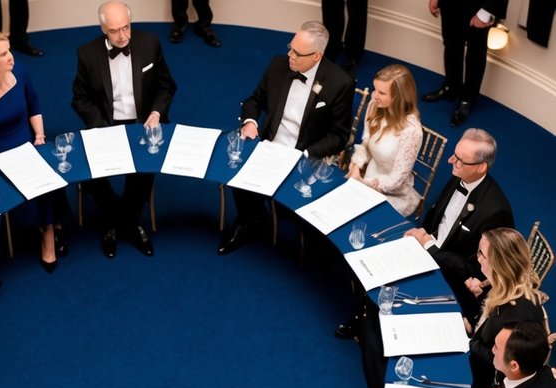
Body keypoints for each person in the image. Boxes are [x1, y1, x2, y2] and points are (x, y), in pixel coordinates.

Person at [218, 20, 353, 254]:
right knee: (234, 168)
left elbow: (339, 135)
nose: (289, 55)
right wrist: (250, 123)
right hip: (270, 145)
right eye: (290, 47)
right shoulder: (278, 66)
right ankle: (248, 220)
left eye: (297, 53)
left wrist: (306, 155)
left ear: (316, 56)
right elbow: (254, 101)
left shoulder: (340, 83)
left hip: (305, 154)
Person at [71, 0, 177, 258]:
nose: (122, 36)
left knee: (143, 171)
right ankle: (124, 220)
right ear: (103, 29)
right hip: (106, 123)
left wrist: (156, 112)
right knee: (92, 174)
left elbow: (167, 86)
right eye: (114, 30)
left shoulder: (149, 43)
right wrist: (101, 127)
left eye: (126, 28)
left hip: (143, 121)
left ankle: (118, 224)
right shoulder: (87, 54)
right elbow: (79, 98)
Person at [0, 31, 69, 272]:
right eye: (4, 54)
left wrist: (40, 137)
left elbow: (34, 106)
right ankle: (39, 227)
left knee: (49, 180)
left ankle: (48, 233)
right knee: (10, 187)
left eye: (9, 50)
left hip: (26, 144)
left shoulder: (20, 73)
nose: (11, 57)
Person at [405, 128, 514, 317]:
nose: (451, 161)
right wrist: (423, 234)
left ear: (481, 167)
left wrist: (430, 247)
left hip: (453, 279)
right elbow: (436, 215)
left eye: (460, 160)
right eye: (454, 155)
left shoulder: (496, 212)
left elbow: (477, 269)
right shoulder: (460, 175)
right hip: (429, 248)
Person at [465, 229, 549, 388]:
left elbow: (504, 365)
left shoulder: (514, 320)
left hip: (488, 387)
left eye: (482, 253)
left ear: (498, 265)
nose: (477, 257)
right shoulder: (508, 286)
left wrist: (471, 343)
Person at [347, 63, 422, 216]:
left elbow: (395, 181)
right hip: (365, 179)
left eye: (381, 93)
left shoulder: (412, 131)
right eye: (375, 89)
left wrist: (362, 182)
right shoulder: (375, 106)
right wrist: (355, 166)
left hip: (391, 195)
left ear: (398, 97)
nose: (374, 96)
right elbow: (366, 144)